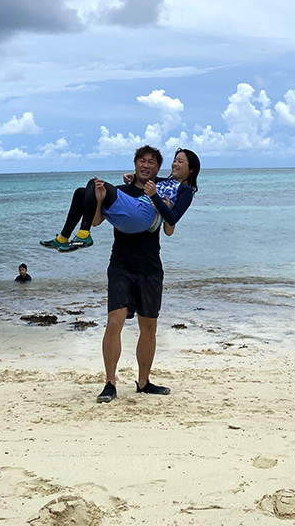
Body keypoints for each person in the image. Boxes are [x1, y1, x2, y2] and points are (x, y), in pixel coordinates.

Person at [91, 146, 200, 403]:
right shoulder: (122, 192)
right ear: (135, 163)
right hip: (120, 264)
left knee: (149, 326)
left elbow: (170, 227)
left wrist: (157, 201)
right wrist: (97, 201)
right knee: (114, 322)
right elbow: (97, 222)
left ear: (156, 168)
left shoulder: (162, 190)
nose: (146, 165)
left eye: (152, 162)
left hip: (150, 267)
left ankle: (143, 382)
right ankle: (109, 383)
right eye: (142, 161)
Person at [40, 146, 198, 251]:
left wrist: (155, 197)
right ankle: (63, 238)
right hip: (136, 209)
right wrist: (132, 177)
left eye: (180, 161)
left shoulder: (185, 191)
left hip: (145, 214)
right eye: (174, 160)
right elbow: (147, 176)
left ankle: (83, 235)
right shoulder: (167, 182)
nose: (175, 164)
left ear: (190, 169)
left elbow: (172, 219)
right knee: (81, 192)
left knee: (94, 183)